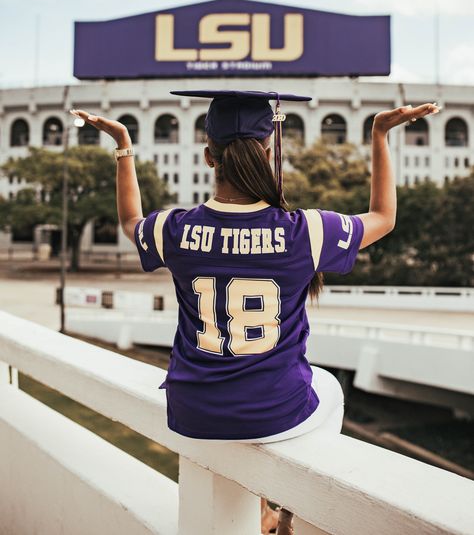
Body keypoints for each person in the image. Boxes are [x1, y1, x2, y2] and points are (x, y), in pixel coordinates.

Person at [70, 92, 440, 535]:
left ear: (209, 157)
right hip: (271, 411)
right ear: (268, 153)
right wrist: (379, 133)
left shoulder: (174, 228)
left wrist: (124, 144)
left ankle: (265, 506)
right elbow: (384, 216)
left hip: (192, 412)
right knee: (328, 388)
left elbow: (131, 220)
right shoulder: (309, 230)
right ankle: (291, 515)